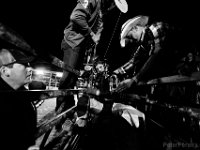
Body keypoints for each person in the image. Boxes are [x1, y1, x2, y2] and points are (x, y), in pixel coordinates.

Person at [113, 15, 199, 149]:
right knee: (177, 104)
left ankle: (191, 138)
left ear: (135, 28)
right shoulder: (144, 44)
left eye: (129, 35)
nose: (130, 39)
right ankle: (179, 135)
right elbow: (134, 60)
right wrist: (116, 72)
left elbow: (155, 57)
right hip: (177, 71)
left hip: (190, 61)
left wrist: (134, 80)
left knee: (190, 100)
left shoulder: (156, 28)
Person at [56, 0, 128, 129]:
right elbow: (75, 16)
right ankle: (60, 114)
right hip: (73, 42)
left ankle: (67, 114)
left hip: (81, 46)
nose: (112, 7)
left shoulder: (101, 11)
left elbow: (97, 29)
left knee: (72, 79)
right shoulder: (92, 0)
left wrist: (96, 35)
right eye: (113, 4)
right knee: (67, 79)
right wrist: (92, 34)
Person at [0, 48, 39, 150]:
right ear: (5, 71)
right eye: (24, 64)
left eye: (29, 65)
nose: (30, 69)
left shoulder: (21, 93)